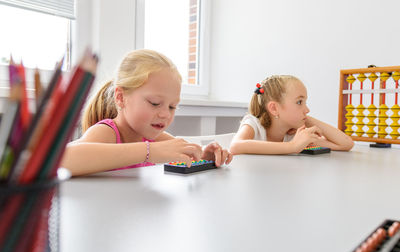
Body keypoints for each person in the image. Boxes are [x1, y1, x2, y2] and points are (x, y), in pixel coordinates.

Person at [61, 49, 232, 176]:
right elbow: (62, 160)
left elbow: (186, 151)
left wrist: (204, 154)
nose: (165, 114)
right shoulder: (107, 132)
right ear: (120, 97)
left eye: (172, 107)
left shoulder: (155, 137)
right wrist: (149, 151)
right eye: (155, 103)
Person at [229, 75, 354, 155]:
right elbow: (236, 146)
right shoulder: (254, 125)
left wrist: (307, 119)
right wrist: (292, 146)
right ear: (274, 108)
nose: (307, 109)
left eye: (305, 102)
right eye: (299, 102)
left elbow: (346, 144)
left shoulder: (294, 134)